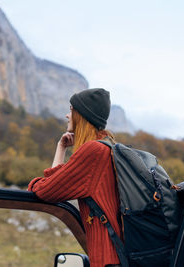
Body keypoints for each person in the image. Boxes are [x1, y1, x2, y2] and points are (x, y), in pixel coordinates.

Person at [28, 88, 122, 267]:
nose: (67, 115)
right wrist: (61, 147)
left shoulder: (93, 152)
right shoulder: (108, 149)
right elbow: (56, 183)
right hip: (116, 259)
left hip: (107, 260)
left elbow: (45, 191)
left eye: (71, 110)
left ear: (82, 115)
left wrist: (33, 184)